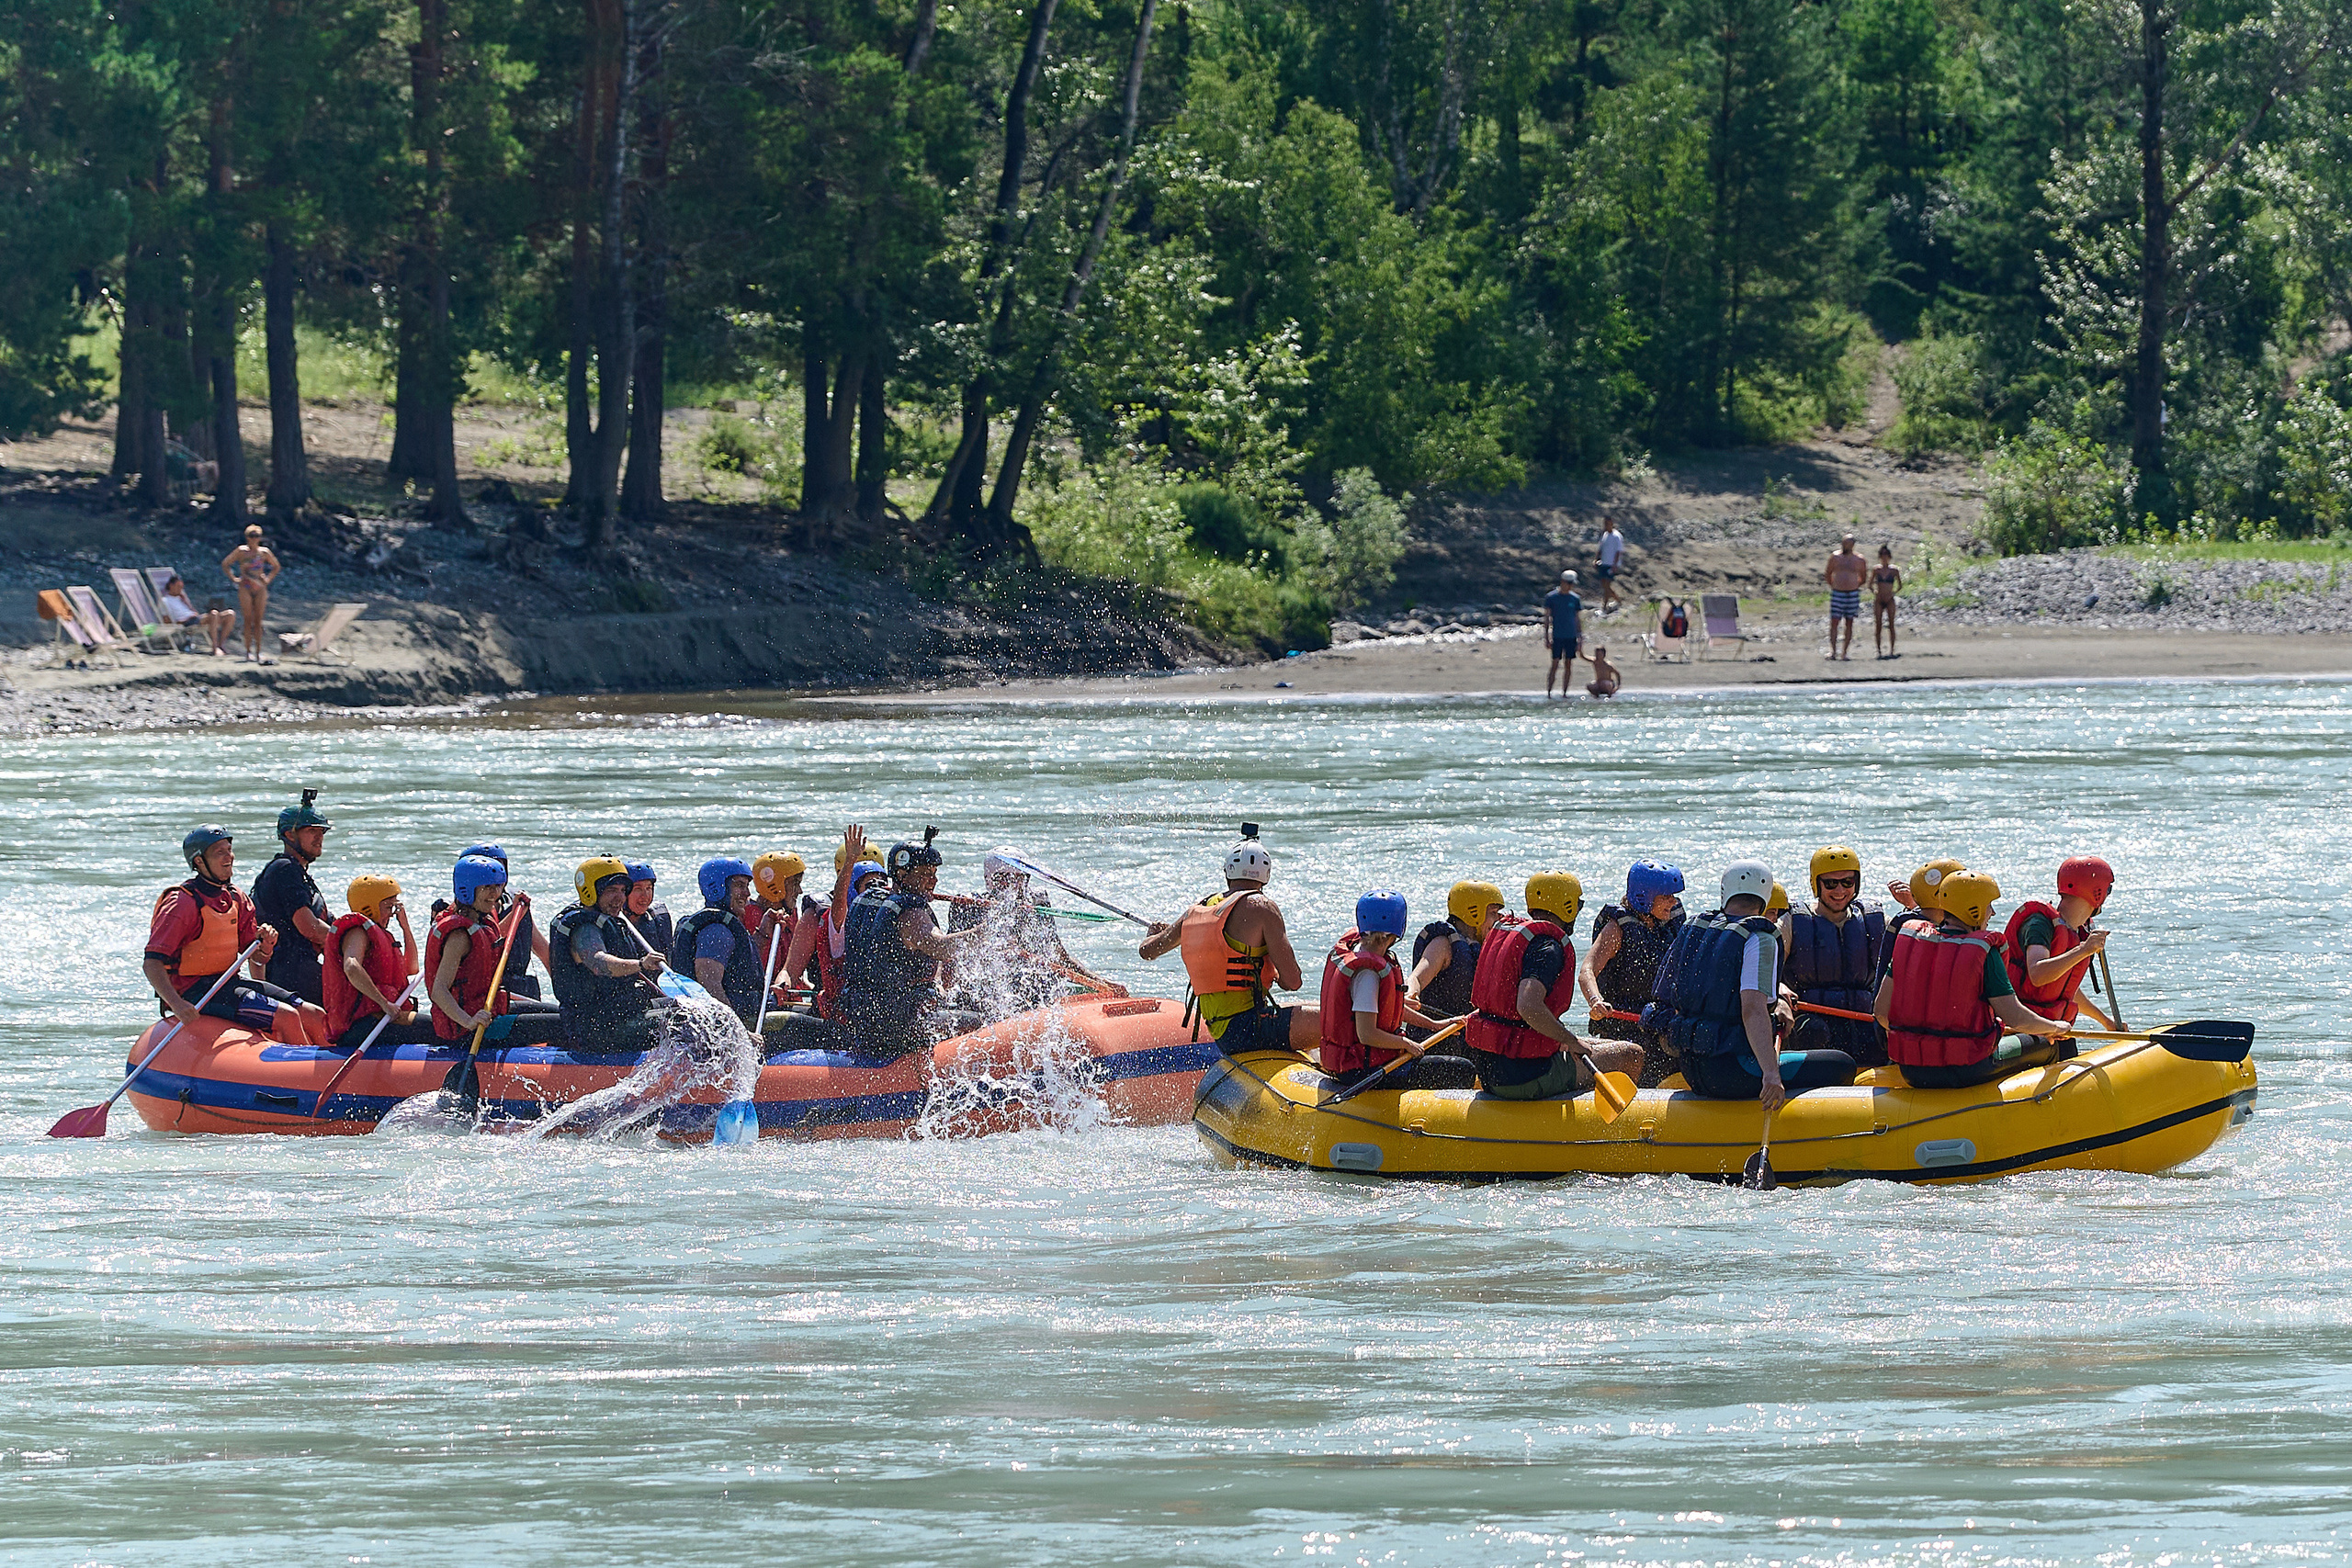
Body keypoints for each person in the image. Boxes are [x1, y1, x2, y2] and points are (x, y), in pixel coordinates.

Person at [1645, 861, 1856, 1108]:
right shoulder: (1759, 938)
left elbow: (1669, 997)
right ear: (1765, 896)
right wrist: (1771, 1074)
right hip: (1735, 1073)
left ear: (1726, 891)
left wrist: (1776, 1002)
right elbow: (1752, 1009)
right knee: (1841, 1063)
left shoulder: (1693, 927)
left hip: (1693, 1070)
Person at [1876, 870, 2074, 1089]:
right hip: (1968, 1068)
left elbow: (1882, 1013)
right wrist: (2053, 1027)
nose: (1993, 913)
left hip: (1911, 1070)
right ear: (1975, 909)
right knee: (2045, 1044)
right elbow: (2015, 1017)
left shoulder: (1911, 943)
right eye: (1989, 906)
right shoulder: (1983, 951)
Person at [143, 825, 328, 1046]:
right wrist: (176, 1003)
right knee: (286, 1016)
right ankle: (305, 1075)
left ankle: (331, 1065)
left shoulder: (236, 898)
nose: (228, 857)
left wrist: (266, 944)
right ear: (199, 862)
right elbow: (152, 964)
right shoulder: (181, 903)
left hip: (227, 984)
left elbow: (257, 958)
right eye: (219, 852)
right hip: (194, 992)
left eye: (229, 850)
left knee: (314, 1013)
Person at [1140, 830, 1321, 1055]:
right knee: (1338, 1020)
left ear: (1228, 872)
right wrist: (1274, 974)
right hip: (1251, 1030)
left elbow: (1147, 951)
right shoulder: (1263, 907)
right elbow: (1293, 982)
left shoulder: (1197, 910)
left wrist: (1152, 934)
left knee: (1319, 1007)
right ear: (1265, 876)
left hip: (1223, 1034)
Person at [1465, 873, 1643, 1099]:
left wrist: (1570, 1041)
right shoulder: (1548, 948)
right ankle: (1607, 1128)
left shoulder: (1518, 935)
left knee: (1607, 1044)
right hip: (1525, 1076)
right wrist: (1570, 1040)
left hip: (1491, 1070)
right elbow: (1528, 1006)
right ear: (1567, 906)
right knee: (1631, 1054)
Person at [841, 833, 984, 1056]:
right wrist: (988, 930)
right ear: (901, 874)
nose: (933, 880)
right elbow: (942, 947)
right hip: (897, 1025)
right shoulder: (909, 913)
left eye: (934, 873)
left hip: (863, 1017)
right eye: (925, 874)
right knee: (978, 1021)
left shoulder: (867, 900)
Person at [949, 850, 1121, 1018]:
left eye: (1020, 878)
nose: (1013, 886)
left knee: (1043, 982)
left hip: (1030, 987)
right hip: (988, 991)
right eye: (1004, 879)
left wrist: (1101, 982)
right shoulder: (969, 905)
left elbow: (1059, 955)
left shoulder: (1036, 904)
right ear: (989, 880)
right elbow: (950, 957)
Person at [1317, 891, 1458, 1091]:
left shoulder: (1359, 951)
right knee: (1459, 1069)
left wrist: (1434, 1025)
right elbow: (1366, 1034)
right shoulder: (1368, 975)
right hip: (1360, 1070)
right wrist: (1407, 1043)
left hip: (1357, 1063)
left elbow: (1387, 1010)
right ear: (1396, 931)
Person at [426, 853, 560, 1046]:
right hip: (469, 1030)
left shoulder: (480, 921)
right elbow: (438, 991)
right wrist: (468, 1021)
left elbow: (494, 939)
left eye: (497, 886)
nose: (495, 893)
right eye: (487, 887)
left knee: (557, 1012)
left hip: (488, 1010)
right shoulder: (459, 936)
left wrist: (516, 913)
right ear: (467, 890)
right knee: (561, 1024)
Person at [1577, 860, 1685, 1086]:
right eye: (1666, 897)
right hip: (1626, 1028)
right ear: (1644, 897)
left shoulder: (1671, 922)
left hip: (1660, 1022)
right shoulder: (1617, 929)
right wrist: (1596, 1002)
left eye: (1674, 896)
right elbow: (1587, 970)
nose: (1673, 901)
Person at [1780, 845, 1888, 1066]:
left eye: (1847, 882)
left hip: (1863, 1021)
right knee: (1813, 1030)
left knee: (1880, 1033)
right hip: (1812, 1023)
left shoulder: (1875, 921)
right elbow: (1762, 968)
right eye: (1830, 883)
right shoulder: (1791, 923)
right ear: (1816, 884)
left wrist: (1913, 906)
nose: (1840, 890)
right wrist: (1779, 987)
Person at [546, 856, 666, 1053]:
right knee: (685, 1021)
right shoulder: (583, 928)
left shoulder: (607, 921)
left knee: (688, 1007)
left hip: (617, 1014)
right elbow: (598, 962)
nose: (619, 898)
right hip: (599, 1030)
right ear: (591, 892)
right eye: (611, 890)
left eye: (622, 891)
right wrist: (641, 964)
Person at [2000, 855, 2119, 1031]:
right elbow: (2038, 974)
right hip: (2023, 1030)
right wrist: (2083, 950)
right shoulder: (2039, 924)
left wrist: (2106, 1022)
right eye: (2107, 890)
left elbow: (2064, 988)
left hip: (2055, 1029)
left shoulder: (2077, 931)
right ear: (2097, 891)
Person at [323, 874, 431, 1048]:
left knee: (435, 1026)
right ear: (370, 907)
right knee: (432, 1028)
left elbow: (412, 968)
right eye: (388, 907)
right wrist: (384, 1003)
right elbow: (351, 967)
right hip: (362, 1024)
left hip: (381, 1017)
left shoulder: (383, 935)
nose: (391, 914)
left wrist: (405, 927)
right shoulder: (357, 931)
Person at [789, 830, 881, 1024]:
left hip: (878, 1015)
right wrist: (850, 861)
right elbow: (840, 902)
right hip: (843, 1019)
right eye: (870, 886)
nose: (877, 891)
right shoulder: (840, 923)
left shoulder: (889, 923)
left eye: (882, 885)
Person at [251, 791, 334, 1006]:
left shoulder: (299, 875)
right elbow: (310, 927)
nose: (319, 837)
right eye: (311, 831)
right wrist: (344, 942)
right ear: (289, 835)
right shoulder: (285, 870)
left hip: (301, 970)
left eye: (321, 831)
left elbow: (328, 925)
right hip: (290, 975)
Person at [670, 857, 766, 1030]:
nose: (747, 893)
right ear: (717, 888)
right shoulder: (716, 930)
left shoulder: (722, 928)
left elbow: (737, 965)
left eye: (747, 886)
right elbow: (708, 983)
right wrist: (738, 1031)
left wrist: (764, 931)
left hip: (742, 1015)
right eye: (739, 885)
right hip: (737, 1022)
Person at [453, 843, 555, 998]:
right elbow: (485, 943)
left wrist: (568, 995)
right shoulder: (460, 912)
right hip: (487, 993)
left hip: (519, 990)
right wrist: (515, 915)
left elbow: (544, 953)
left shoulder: (516, 903)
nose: (494, 879)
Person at [1408, 880, 1500, 1027]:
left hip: (1467, 1037)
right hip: (1437, 1035)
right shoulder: (1442, 944)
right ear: (1474, 913)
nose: (1497, 920)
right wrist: (1411, 994)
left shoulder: (1482, 947)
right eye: (1493, 913)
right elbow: (1416, 978)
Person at [220, 522, 279, 662]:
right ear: (247, 537)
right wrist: (234, 578)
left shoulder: (264, 552)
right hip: (245, 586)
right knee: (247, 619)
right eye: (251, 536)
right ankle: (247, 651)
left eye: (257, 536)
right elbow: (226, 564)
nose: (254, 538)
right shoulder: (241, 551)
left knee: (258, 620)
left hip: (260, 586)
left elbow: (276, 566)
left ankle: (258, 651)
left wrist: (268, 579)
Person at [158, 574, 235, 656]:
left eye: (181, 587)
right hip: (186, 622)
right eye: (178, 586)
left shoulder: (181, 598)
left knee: (230, 614)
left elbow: (192, 611)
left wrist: (186, 602)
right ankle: (214, 647)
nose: (180, 589)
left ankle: (220, 645)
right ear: (171, 585)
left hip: (195, 618)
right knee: (213, 614)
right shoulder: (165, 600)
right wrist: (180, 623)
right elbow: (167, 620)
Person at [1824, 534, 1868, 661]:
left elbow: (1863, 577)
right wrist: (1834, 584)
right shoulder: (1835, 557)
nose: (1845, 546)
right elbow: (1828, 573)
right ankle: (1833, 651)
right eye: (1843, 543)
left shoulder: (1859, 559)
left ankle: (1844, 653)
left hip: (1852, 593)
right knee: (1834, 622)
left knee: (1849, 622)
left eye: (1847, 543)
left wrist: (1853, 585)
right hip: (1838, 593)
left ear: (1852, 545)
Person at [1544, 570, 1583, 698]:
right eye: (1569, 583)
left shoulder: (1575, 598)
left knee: (1568, 664)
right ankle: (1549, 692)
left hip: (1571, 636)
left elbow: (1577, 618)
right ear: (1562, 582)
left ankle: (1564, 692)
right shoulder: (1552, 598)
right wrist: (1546, 637)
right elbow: (1547, 618)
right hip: (1557, 635)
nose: (1570, 586)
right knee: (1555, 663)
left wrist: (1580, 637)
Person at [623, 861, 672, 955]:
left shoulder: (659, 919)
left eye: (648, 888)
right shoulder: (609, 925)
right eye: (638, 889)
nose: (645, 896)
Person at [1871, 545, 1903, 659]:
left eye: (1886, 555)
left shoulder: (1894, 570)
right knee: (1878, 624)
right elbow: (1870, 584)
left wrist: (1893, 593)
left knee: (1891, 624)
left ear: (1889, 556)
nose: (1884, 557)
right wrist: (1874, 591)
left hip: (1889, 599)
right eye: (1882, 555)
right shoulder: (1876, 569)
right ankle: (1878, 650)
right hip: (1879, 599)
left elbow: (1900, 585)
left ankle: (1892, 650)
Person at [1595, 518, 1626, 612]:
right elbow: (1600, 548)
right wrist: (1596, 559)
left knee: (1607, 585)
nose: (1606, 526)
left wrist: (1615, 565)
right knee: (1604, 585)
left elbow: (1618, 551)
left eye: (1608, 524)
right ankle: (1618, 600)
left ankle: (1604, 605)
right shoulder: (1605, 535)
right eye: (1605, 524)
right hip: (1604, 563)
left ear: (1612, 524)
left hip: (1611, 564)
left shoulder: (1616, 536)